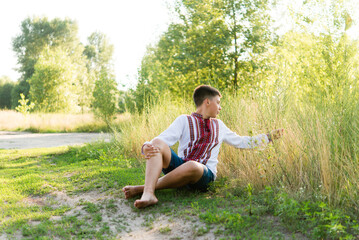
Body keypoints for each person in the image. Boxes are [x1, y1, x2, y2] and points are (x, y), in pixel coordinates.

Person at [122, 85, 283, 209]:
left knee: (193, 165)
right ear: (207, 102)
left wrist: (268, 137)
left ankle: (143, 187)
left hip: (204, 175)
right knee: (157, 143)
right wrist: (146, 146)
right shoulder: (183, 120)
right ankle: (148, 194)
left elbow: (241, 142)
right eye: (218, 103)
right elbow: (161, 139)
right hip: (180, 169)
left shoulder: (219, 125)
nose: (220, 107)